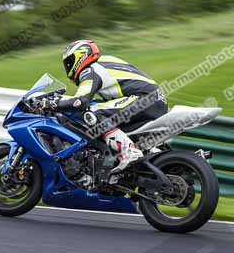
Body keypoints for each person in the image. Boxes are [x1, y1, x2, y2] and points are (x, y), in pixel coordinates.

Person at [53, 40, 168, 172]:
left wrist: (54, 103)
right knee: (110, 118)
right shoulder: (107, 60)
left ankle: (129, 152)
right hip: (156, 100)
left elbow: (80, 101)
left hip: (144, 98)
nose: (68, 67)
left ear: (81, 56)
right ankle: (155, 154)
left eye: (69, 62)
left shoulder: (90, 70)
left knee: (92, 114)